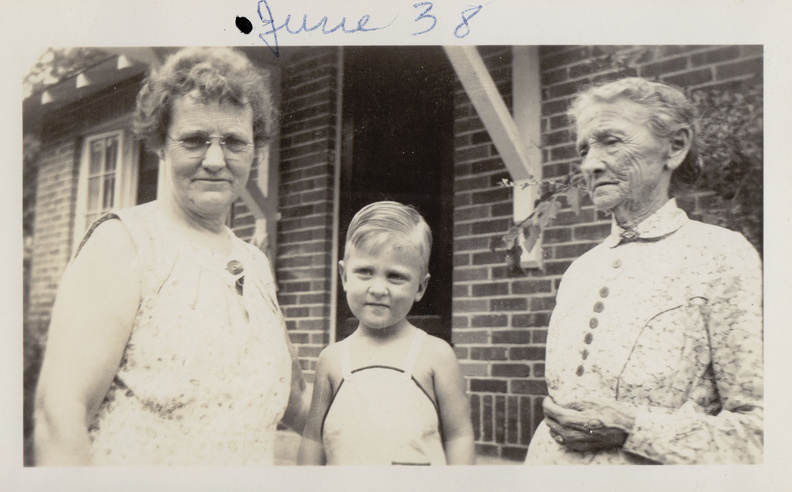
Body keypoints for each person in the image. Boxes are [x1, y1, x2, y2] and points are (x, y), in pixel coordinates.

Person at [33, 47, 309, 465]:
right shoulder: (124, 242)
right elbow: (59, 416)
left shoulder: (253, 264)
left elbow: (293, 401)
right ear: (161, 143)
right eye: (195, 140)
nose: (216, 160)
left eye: (234, 142)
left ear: (255, 149)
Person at [525, 77, 763, 465]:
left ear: (675, 146)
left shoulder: (720, 255)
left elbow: (762, 435)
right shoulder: (580, 271)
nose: (590, 164)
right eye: (584, 148)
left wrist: (633, 428)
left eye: (611, 141)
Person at [297, 201, 475, 465]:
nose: (378, 288)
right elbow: (313, 438)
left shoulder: (436, 356)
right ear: (344, 276)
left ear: (420, 287)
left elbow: (458, 437)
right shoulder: (332, 360)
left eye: (395, 276)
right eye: (365, 272)